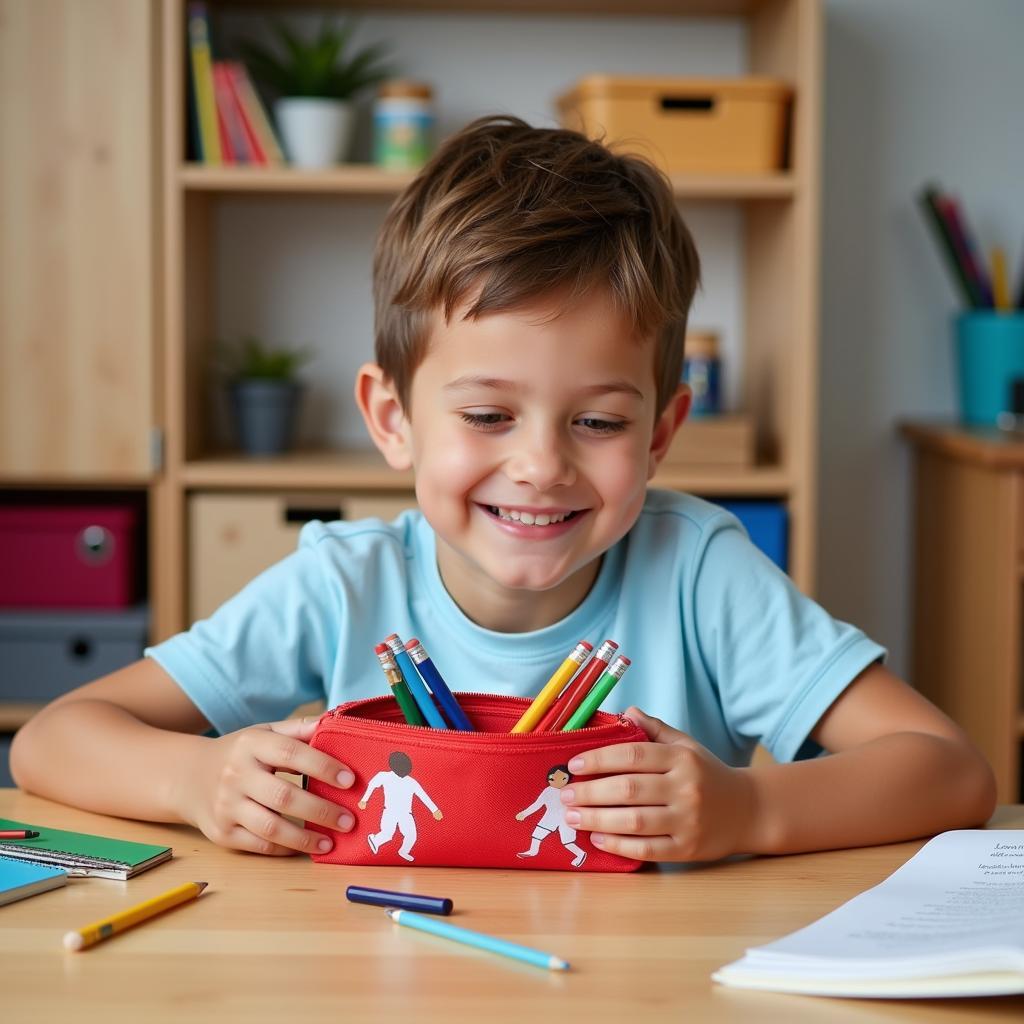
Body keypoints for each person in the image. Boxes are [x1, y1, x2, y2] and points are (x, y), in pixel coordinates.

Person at [11, 115, 995, 864]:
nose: (540, 466)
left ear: (659, 434)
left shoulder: (697, 572)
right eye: (488, 416)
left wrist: (752, 809)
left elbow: (950, 769)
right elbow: (52, 739)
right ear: (392, 418)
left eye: (598, 422)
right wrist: (195, 777)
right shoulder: (341, 583)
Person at [358, 751, 442, 862]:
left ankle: (404, 851)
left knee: (411, 835)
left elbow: (423, 795)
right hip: (390, 811)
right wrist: (364, 800)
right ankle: (374, 840)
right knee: (387, 833)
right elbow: (372, 785)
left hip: (406, 814)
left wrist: (434, 810)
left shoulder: (411, 782)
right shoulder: (384, 776)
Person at [516, 765, 587, 868]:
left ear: (568, 779)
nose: (557, 782)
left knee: (567, 841)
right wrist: (524, 813)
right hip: (550, 817)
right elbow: (537, 804)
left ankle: (580, 854)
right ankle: (533, 850)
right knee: (537, 834)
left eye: (563, 778)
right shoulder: (548, 791)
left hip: (567, 819)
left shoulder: (570, 790)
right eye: (552, 779)